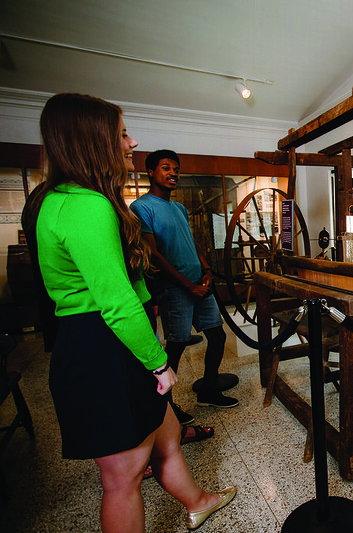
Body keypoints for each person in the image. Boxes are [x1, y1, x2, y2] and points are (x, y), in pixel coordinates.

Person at [26, 92, 235, 531]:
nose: (130, 142)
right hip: (104, 344)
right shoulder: (86, 205)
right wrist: (158, 362)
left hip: (113, 336)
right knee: (122, 476)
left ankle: (198, 500)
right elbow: (115, 299)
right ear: (92, 139)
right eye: (122, 133)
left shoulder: (69, 199)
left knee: (167, 433)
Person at [131, 149, 239, 423]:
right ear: (151, 173)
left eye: (176, 169)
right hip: (174, 287)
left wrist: (205, 270)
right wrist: (187, 286)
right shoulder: (141, 207)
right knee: (176, 345)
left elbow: (192, 242)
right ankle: (166, 407)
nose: (173, 173)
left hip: (198, 284)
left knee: (217, 337)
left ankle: (209, 390)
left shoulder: (179, 208)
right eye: (166, 168)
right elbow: (153, 254)